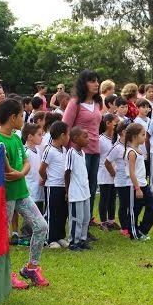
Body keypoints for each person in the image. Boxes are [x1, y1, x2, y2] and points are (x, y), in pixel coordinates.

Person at [0, 99, 50, 289]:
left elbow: (25, 163)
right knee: (3, 237)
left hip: (21, 192)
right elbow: (4, 170)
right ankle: (5, 275)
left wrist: (20, 173)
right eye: (21, 115)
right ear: (13, 117)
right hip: (6, 196)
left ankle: (32, 267)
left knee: (41, 226)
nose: (24, 118)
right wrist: (15, 173)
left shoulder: (16, 138)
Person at [62, 70, 103, 223]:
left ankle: (87, 220)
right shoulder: (75, 103)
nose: (96, 84)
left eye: (97, 81)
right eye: (92, 81)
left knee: (91, 188)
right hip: (79, 152)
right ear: (83, 84)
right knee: (78, 188)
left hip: (95, 150)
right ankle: (75, 220)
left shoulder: (98, 103)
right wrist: (68, 151)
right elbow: (65, 128)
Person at [125, 123, 153, 240]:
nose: (145, 137)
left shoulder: (138, 150)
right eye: (143, 135)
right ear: (134, 137)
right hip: (135, 186)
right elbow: (132, 172)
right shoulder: (131, 152)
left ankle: (142, 229)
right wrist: (137, 188)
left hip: (143, 184)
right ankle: (133, 232)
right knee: (135, 210)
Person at [40, 121, 69, 248]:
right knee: (52, 212)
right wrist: (46, 178)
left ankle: (60, 236)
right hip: (53, 186)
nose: (69, 138)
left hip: (63, 186)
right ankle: (50, 238)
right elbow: (42, 169)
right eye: (67, 135)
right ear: (62, 135)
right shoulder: (49, 150)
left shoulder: (64, 150)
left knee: (63, 212)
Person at [65, 126, 91, 251]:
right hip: (76, 192)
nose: (88, 139)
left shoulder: (83, 153)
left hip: (85, 191)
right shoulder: (71, 153)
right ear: (75, 139)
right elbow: (67, 172)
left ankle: (82, 240)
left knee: (86, 218)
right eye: (85, 137)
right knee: (76, 219)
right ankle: (73, 242)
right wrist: (67, 191)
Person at [97, 114, 119, 231]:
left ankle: (111, 221)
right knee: (104, 197)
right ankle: (103, 222)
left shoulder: (116, 139)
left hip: (114, 172)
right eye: (115, 123)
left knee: (112, 198)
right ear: (108, 123)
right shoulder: (100, 139)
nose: (117, 125)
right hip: (104, 172)